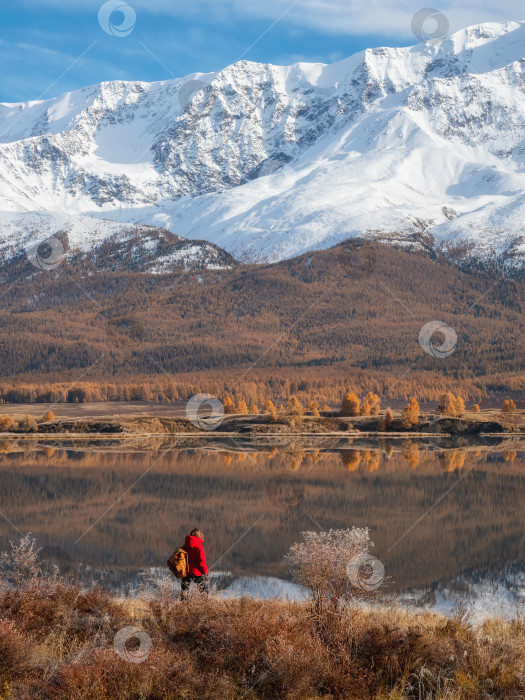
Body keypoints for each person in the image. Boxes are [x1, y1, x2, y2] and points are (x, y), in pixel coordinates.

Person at [180, 528, 209, 600]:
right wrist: (205, 573)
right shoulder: (199, 547)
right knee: (204, 592)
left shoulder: (184, 546)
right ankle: (205, 607)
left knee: (184, 592)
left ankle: (182, 608)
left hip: (185, 571)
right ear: (200, 536)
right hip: (197, 572)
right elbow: (201, 562)